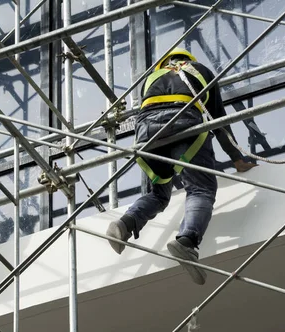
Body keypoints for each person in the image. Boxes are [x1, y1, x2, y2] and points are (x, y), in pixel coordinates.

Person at [106, 48, 256, 285]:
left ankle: (124, 224)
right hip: (184, 124)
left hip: (147, 136)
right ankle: (186, 242)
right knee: (200, 190)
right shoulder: (202, 71)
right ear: (189, 60)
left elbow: (143, 113)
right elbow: (219, 119)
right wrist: (236, 157)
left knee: (158, 193)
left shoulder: (151, 78)